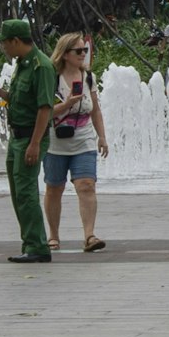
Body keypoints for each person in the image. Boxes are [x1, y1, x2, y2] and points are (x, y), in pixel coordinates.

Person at [40, 31, 110, 253]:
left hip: (84, 140)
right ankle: (53, 236)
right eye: (78, 51)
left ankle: (89, 235)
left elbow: (96, 110)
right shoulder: (51, 77)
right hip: (55, 142)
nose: (83, 54)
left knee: (86, 185)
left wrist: (102, 136)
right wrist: (68, 103)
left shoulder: (88, 77)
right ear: (65, 54)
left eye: (85, 50)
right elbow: (45, 112)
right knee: (54, 188)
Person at [0, 20, 56, 264]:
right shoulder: (22, 63)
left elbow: (44, 108)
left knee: (27, 193)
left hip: (31, 137)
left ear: (16, 41)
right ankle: (29, 242)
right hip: (17, 136)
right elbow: (22, 99)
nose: (2, 47)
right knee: (18, 193)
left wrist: (34, 143)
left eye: (3, 42)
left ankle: (37, 246)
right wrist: (0, 94)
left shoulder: (41, 66)